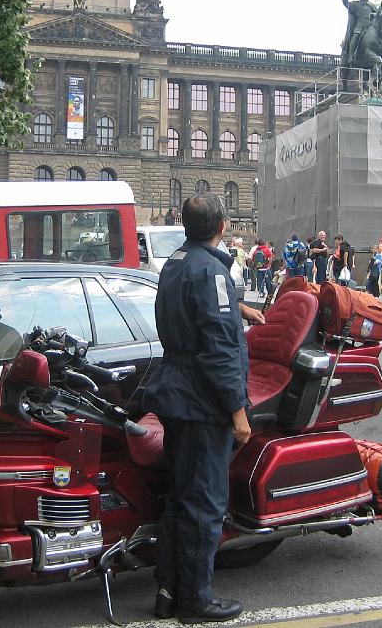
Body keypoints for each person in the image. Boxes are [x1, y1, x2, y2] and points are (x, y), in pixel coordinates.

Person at [143, 193, 263, 623]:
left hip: (176, 391)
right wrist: (237, 411)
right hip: (201, 401)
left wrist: (241, 310)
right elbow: (219, 349)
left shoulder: (175, 262)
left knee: (179, 498)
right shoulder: (212, 270)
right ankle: (195, 600)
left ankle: (168, 590)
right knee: (205, 504)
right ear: (223, 227)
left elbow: (191, 313)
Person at [342, 0, 378, 67]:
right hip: (359, 27)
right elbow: (345, 2)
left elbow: (378, 16)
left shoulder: (372, 6)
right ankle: (351, 57)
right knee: (355, 38)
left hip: (369, 28)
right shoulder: (355, 5)